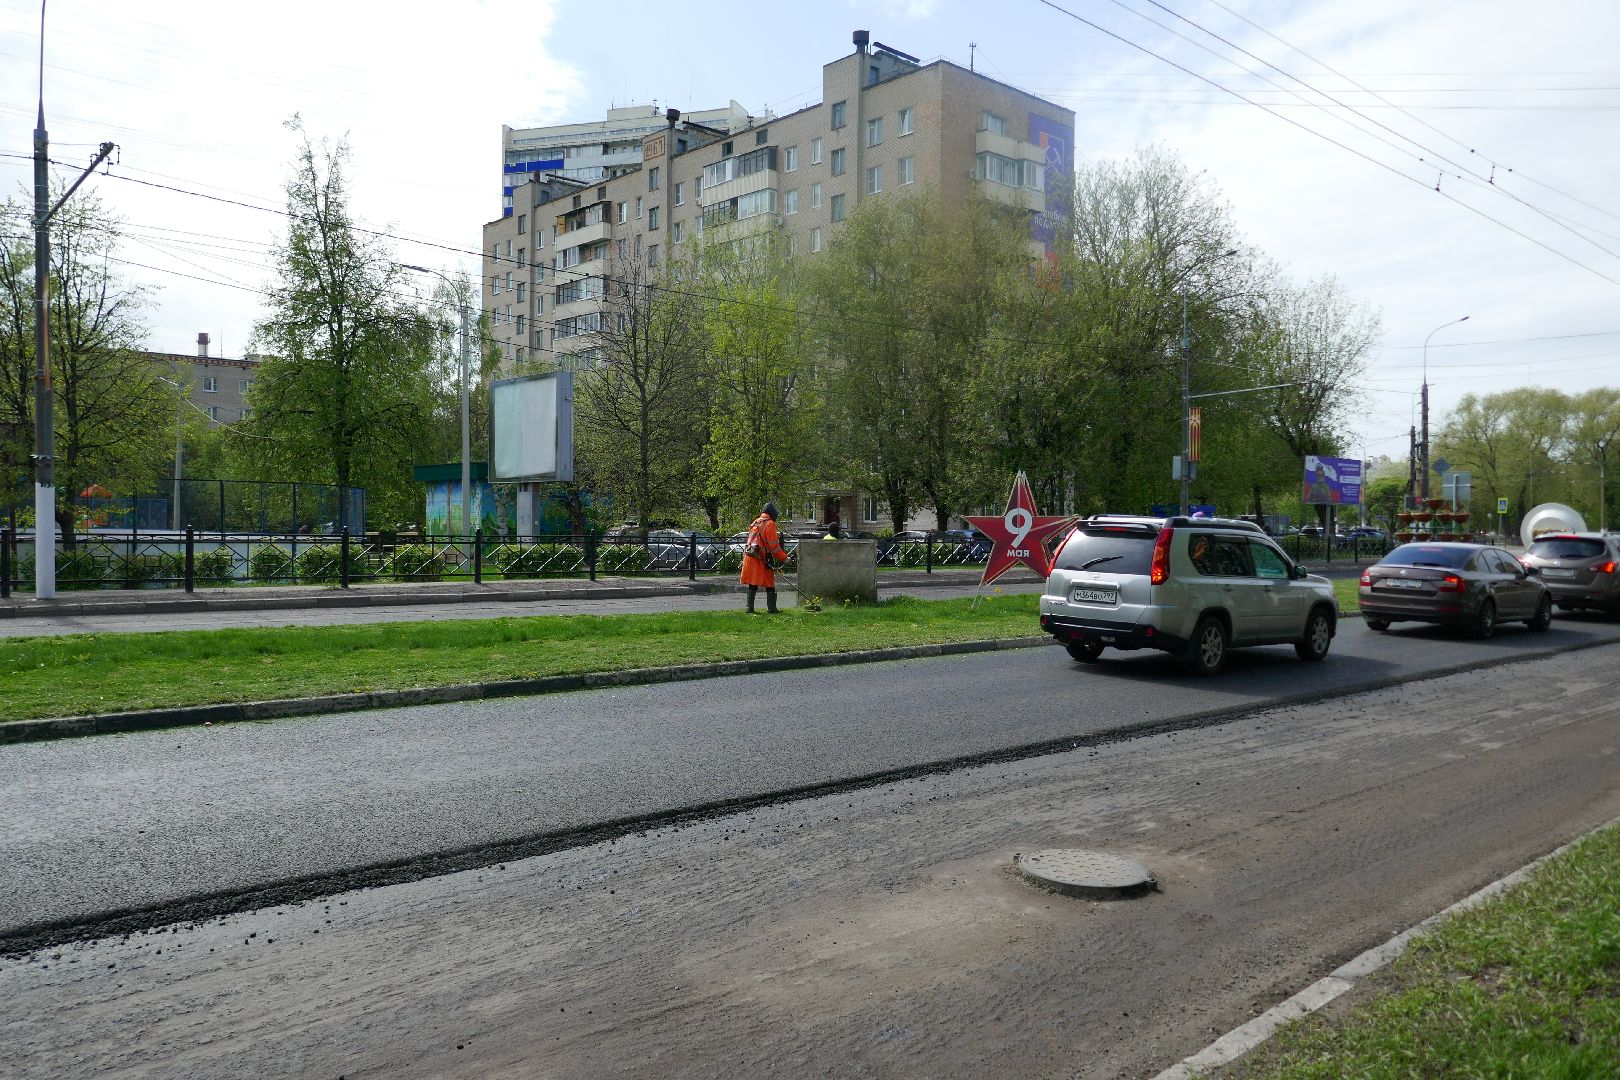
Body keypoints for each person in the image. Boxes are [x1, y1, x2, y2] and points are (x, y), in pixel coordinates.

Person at [741, 501, 788, 614]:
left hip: (750, 556)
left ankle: (749, 608)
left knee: (753, 582)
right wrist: (784, 558)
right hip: (762, 558)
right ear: (773, 514)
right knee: (769, 582)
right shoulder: (770, 524)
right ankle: (771, 608)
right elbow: (774, 547)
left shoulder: (756, 522)